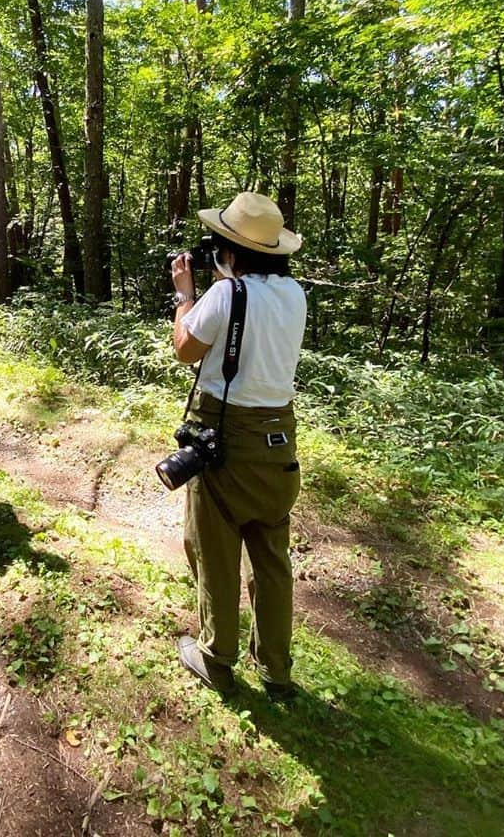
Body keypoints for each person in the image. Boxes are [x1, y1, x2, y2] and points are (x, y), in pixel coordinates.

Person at [169, 191, 306, 700]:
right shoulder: (296, 294)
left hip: (225, 435)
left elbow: (186, 350)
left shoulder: (225, 297)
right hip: (279, 437)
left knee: (215, 548)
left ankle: (216, 657)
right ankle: (276, 670)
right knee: (271, 555)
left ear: (230, 250)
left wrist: (186, 295)